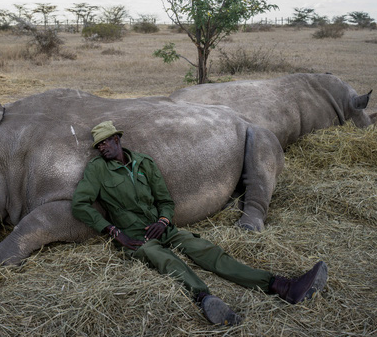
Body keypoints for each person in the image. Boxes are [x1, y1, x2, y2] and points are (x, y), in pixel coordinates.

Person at [71, 121, 328, 326]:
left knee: (206, 250)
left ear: (116, 140)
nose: (102, 148)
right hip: (136, 238)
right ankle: (205, 299)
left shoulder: (143, 163)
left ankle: (282, 286)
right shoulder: (97, 170)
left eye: (105, 142)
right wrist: (116, 233)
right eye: (98, 146)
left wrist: (163, 220)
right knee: (167, 260)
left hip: (162, 229)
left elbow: (165, 200)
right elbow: (79, 205)